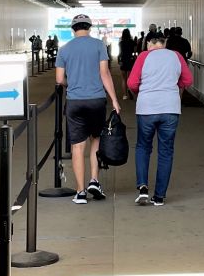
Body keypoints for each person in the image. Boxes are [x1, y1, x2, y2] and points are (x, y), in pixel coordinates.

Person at [55, 13, 121, 205]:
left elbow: (59, 80)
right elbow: (105, 73)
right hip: (96, 100)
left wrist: (72, 83)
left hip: (75, 102)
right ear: (89, 27)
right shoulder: (98, 45)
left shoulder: (64, 49)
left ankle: (80, 191)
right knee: (96, 139)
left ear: (72, 29)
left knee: (77, 146)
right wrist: (115, 100)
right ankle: (94, 180)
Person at [128, 30, 193, 207]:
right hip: (170, 108)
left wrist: (141, 91)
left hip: (147, 108)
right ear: (164, 43)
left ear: (149, 43)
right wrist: (173, 85)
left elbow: (132, 83)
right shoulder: (176, 56)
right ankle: (159, 196)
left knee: (143, 147)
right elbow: (187, 80)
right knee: (166, 151)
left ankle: (142, 187)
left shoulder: (143, 57)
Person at [117, 28, 136, 99]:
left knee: (123, 79)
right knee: (130, 78)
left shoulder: (121, 43)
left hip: (123, 60)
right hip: (130, 60)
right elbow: (134, 52)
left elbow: (119, 53)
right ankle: (130, 90)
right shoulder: (132, 42)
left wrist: (119, 60)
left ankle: (125, 95)